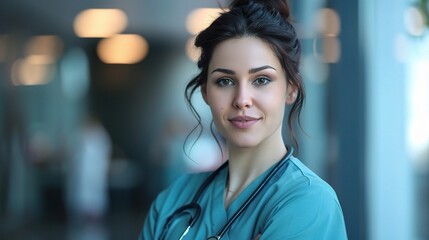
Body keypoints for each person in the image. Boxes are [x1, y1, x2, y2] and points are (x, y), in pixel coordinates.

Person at [139, 0, 347, 239]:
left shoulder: (310, 203)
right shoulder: (173, 200)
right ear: (206, 92)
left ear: (291, 89)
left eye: (261, 80)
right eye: (225, 81)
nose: (242, 99)